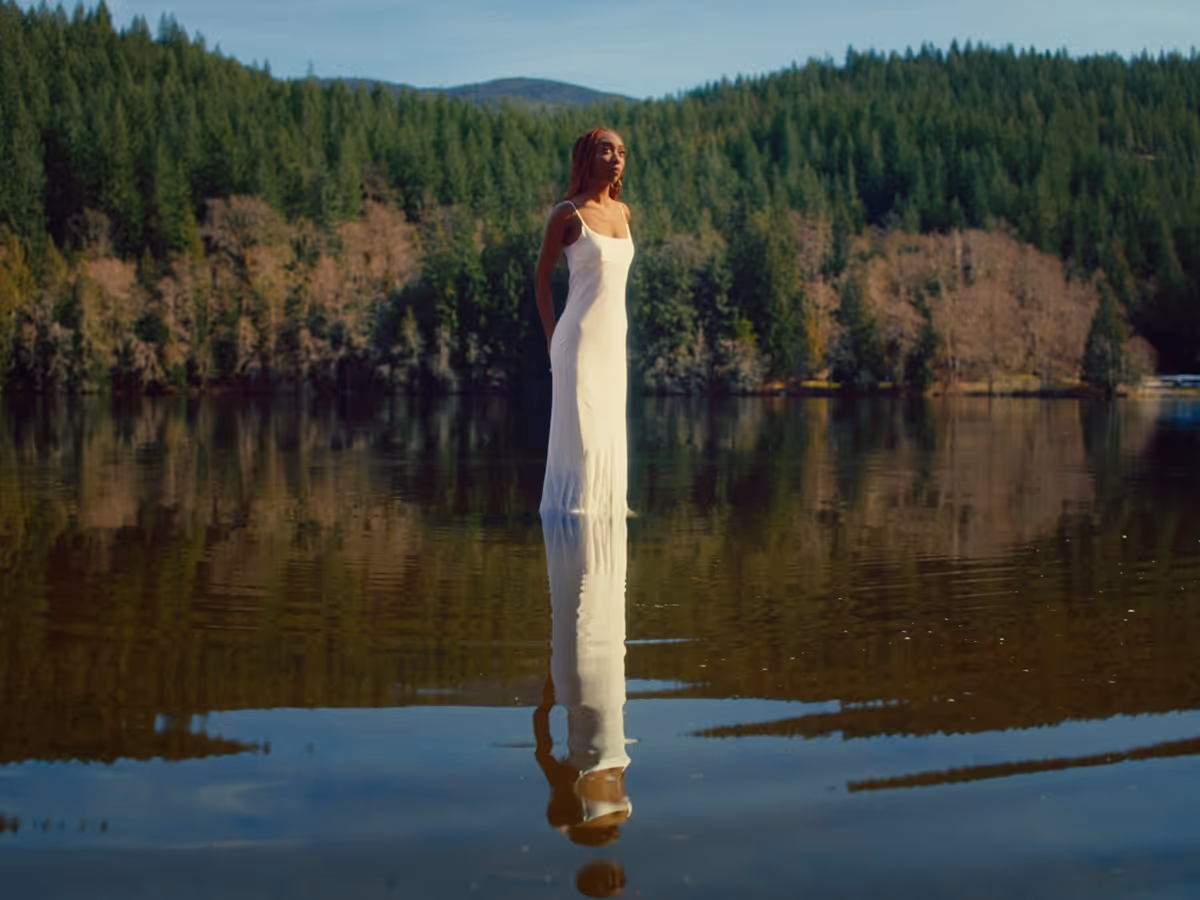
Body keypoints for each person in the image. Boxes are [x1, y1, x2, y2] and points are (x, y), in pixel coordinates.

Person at [535, 128, 634, 517]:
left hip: (613, 343)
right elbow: (541, 279)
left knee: (609, 431)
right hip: (576, 341)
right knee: (584, 436)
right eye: (606, 151)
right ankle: (576, 517)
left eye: (622, 153)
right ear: (586, 158)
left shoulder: (624, 213)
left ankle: (608, 509)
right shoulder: (566, 213)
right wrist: (550, 339)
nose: (616, 159)